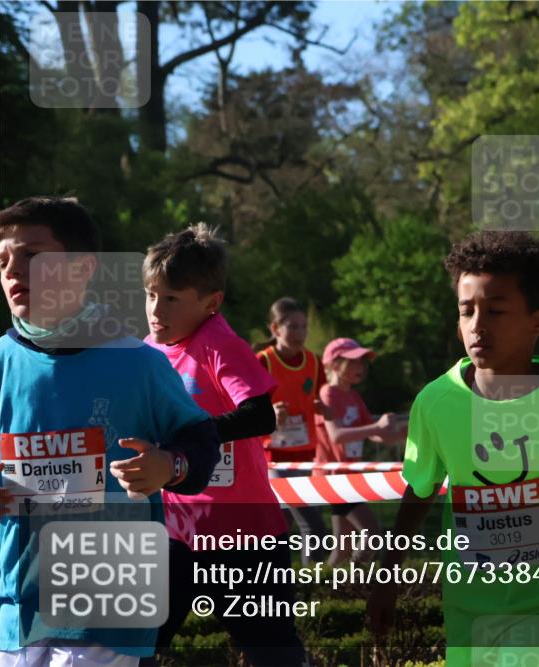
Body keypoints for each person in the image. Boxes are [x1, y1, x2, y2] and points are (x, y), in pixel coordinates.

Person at [366, 231, 539, 665]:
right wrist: (386, 576)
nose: (477, 325)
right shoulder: (436, 403)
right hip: (470, 619)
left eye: (495, 311)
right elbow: (419, 491)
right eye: (466, 311)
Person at [0, 197, 220, 666]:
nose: (13, 270)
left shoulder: (139, 364)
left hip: (104, 614)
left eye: (33, 256)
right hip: (11, 610)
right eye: (2, 260)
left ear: (82, 269)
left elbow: (203, 447)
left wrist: (170, 465)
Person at [142, 224, 306, 666]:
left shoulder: (220, 343)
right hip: (175, 537)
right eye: (151, 294)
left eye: (172, 298)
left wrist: (195, 442)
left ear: (211, 303)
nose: (156, 310)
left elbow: (259, 414)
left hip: (246, 541)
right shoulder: (147, 352)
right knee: (134, 648)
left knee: (276, 656)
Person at [316, 337, 405, 565]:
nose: (361, 367)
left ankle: (320, 590)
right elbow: (336, 435)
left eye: (363, 362)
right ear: (335, 364)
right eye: (354, 362)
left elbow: (375, 435)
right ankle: (354, 584)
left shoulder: (354, 396)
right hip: (335, 478)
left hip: (348, 479)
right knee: (372, 536)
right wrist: (377, 427)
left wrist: (405, 433)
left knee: (342, 549)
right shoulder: (328, 393)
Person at [255, 297, 327, 565]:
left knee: (281, 526)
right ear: (275, 329)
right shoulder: (263, 362)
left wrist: (324, 407)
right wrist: (270, 414)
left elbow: (317, 398)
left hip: (306, 453)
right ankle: (314, 591)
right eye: (293, 327)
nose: (300, 333)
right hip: (272, 456)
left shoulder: (313, 361)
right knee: (313, 527)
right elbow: (243, 407)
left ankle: (282, 586)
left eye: (303, 327)